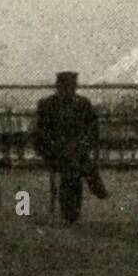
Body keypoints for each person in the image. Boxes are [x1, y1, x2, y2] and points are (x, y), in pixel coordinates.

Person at [33, 71, 108, 223]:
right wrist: (53, 148)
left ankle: (72, 209)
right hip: (54, 151)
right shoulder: (47, 105)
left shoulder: (83, 103)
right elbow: (42, 134)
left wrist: (84, 145)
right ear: (58, 87)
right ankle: (91, 188)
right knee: (74, 164)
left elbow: (93, 130)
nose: (69, 90)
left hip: (76, 150)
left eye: (72, 87)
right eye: (66, 87)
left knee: (73, 163)